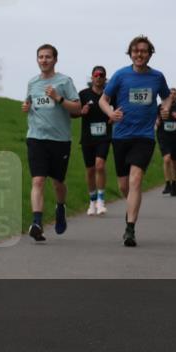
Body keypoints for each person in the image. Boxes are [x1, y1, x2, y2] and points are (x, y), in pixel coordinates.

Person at [99, 35, 173, 247]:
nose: (139, 54)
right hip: (121, 135)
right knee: (124, 185)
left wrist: (165, 108)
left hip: (144, 136)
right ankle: (130, 209)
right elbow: (103, 100)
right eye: (135, 51)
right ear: (130, 53)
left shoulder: (157, 77)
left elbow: (166, 97)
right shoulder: (121, 75)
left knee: (135, 180)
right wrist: (111, 114)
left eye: (143, 51)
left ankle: (130, 229)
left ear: (150, 54)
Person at [23, 44, 81, 239]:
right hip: (36, 137)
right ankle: (37, 222)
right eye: (40, 57)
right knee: (38, 180)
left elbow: (77, 109)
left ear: (55, 60)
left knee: (58, 183)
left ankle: (60, 207)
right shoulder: (32, 83)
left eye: (48, 57)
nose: (44, 60)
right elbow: (30, 102)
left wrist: (58, 98)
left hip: (60, 140)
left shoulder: (64, 81)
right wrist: (27, 106)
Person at [76, 66, 112, 216]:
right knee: (90, 170)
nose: (98, 77)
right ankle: (92, 201)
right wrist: (81, 112)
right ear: (92, 78)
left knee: (100, 165)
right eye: (96, 75)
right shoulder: (83, 94)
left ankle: (101, 201)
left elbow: (118, 109)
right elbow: (74, 112)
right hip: (88, 137)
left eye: (101, 75)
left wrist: (113, 116)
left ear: (105, 78)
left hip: (104, 136)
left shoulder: (110, 94)